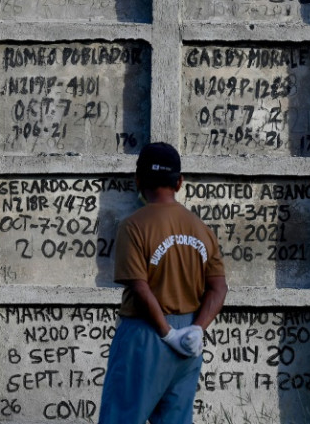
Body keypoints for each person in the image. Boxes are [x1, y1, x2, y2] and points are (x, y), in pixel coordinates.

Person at [98, 142, 227, 424]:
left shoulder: (133, 226)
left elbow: (139, 286)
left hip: (146, 334)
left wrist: (167, 333)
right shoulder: (202, 229)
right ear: (179, 182)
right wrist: (195, 330)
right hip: (188, 341)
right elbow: (219, 287)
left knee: (122, 417)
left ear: (138, 181)